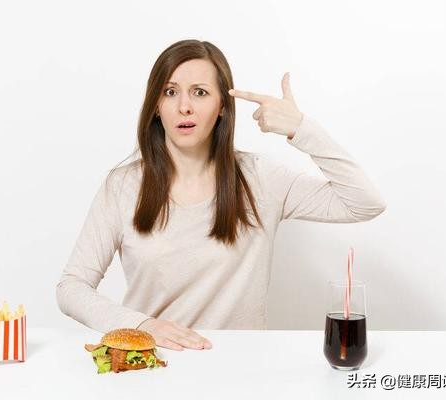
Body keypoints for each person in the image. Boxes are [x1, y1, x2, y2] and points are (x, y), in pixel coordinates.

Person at [56, 39, 386, 352]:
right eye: (170, 92)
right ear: (156, 106)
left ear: (223, 108)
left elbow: (365, 203)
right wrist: (142, 325)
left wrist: (300, 127)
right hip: (154, 366)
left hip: (240, 369)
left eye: (199, 92)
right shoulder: (123, 186)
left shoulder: (260, 178)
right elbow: (72, 286)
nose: (184, 106)